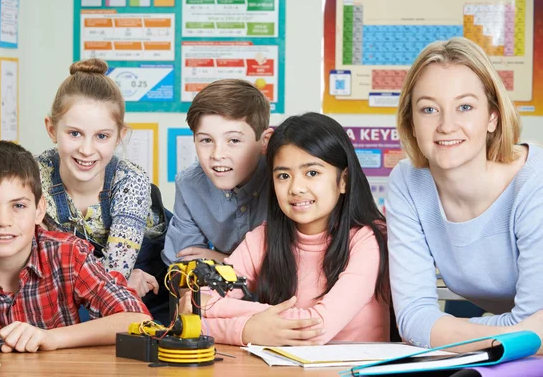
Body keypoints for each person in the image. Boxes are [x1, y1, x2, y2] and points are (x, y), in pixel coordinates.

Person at [387, 36, 543, 352]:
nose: (446, 125)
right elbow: (412, 320)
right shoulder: (406, 182)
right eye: (429, 109)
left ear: (492, 117)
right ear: (411, 122)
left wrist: (440, 332)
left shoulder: (534, 185)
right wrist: (520, 332)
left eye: (465, 107)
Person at [183, 112, 390, 346]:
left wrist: (246, 326)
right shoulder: (262, 238)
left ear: (343, 180)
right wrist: (246, 330)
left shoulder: (369, 239)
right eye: (283, 175)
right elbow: (196, 304)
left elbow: (314, 329)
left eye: (312, 173)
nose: (296, 188)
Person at [0, 141, 151, 353]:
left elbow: (138, 320)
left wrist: (52, 337)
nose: (3, 221)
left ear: (39, 210)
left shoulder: (68, 254)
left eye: (18, 206)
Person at [37, 59, 169, 321]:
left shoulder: (130, 181)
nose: (87, 149)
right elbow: (34, 259)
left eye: (102, 136)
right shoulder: (33, 176)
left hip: (150, 296)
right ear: (52, 129)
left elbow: (113, 281)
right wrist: (119, 278)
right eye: (75, 133)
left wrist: (122, 277)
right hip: (81, 293)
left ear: (119, 137)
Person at [162, 79, 273, 264]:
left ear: (264, 141)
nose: (217, 154)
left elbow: (293, 268)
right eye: (206, 140)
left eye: (234, 141)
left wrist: (223, 260)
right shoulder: (189, 184)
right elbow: (184, 263)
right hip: (219, 291)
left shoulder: (285, 180)